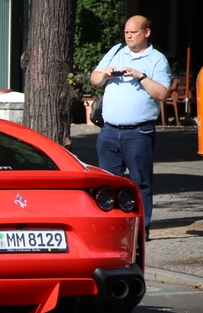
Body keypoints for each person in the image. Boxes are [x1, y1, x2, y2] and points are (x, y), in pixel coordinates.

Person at [90, 15, 171, 239]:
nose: (128, 36)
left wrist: (141, 76)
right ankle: (111, 226)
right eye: (126, 32)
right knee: (107, 182)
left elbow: (162, 94)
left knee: (140, 181)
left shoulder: (156, 59)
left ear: (146, 33)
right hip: (109, 131)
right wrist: (104, 74)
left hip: (138, 132)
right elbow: (94, 79)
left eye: (133, 32)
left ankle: (141, 229)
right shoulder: (117, 51)